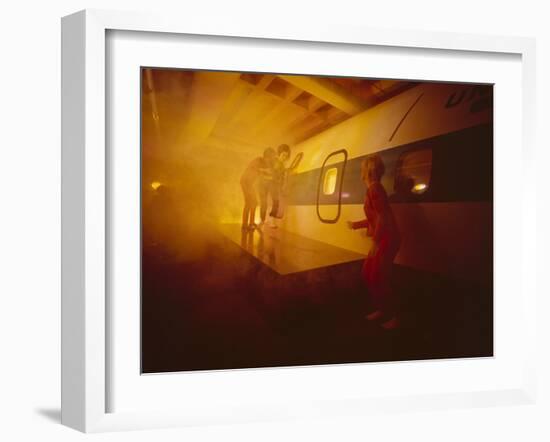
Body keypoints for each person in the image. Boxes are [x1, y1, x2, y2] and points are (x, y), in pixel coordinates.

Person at [347, 154, 401, 330]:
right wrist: (355, 225)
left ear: (369, 170)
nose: (361, 170)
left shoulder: (374, 189)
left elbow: (383, 217)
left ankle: (392, 315)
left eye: (363, 167)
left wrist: (376, 242)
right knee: (368, 274)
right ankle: (382, 309)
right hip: (384, 237)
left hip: (387, 238)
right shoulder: (373, 189)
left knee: (378, 276)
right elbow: (375, 218)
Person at [240, 148, 275, 231]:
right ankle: (246, 225)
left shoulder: (264, 164)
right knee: (249, 203)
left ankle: (250, 223)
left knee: (253, 203)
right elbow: (254, 168)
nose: (271, 160)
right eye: (271, 158)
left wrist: (269, 174)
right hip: (245, 181)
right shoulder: (258, 160)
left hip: (249, 183)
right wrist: (264, 171)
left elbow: (265, 174)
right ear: (267, 157)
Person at [266, 144, 291, 228]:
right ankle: (271, 222)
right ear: (279, 154)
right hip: (273, 186)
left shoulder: (280, 164)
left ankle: (269, 221)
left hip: (276, 186)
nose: (284, 157)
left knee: (275, 204)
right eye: (283, 155)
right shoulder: (277, 163)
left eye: (286, 156)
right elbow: (275, 174)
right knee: (274, 203)